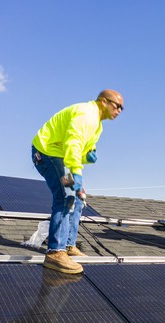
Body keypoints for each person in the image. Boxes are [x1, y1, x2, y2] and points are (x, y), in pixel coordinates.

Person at [31, 89, 124, 274]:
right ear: (103, 102)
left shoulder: (98, 125)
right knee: (66, 196)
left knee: (77, 199)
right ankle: (55, 253)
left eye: (122, 108)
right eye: (117, 105)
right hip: (47, 152)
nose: (120, 110)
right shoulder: (86, 114)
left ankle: (68, 245)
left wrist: (88, 156)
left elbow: (79, 151)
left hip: (61, 157)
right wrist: (77, 178)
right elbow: (72, 144)